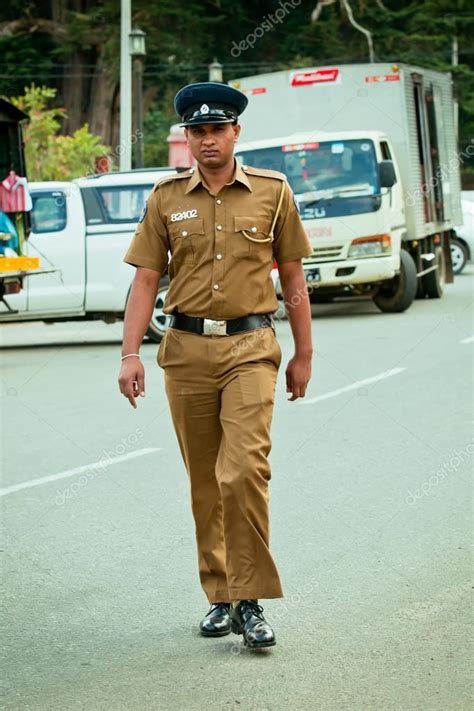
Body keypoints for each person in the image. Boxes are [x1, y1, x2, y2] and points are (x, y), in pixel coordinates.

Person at [119, 82, 314, 649]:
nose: (207, 140)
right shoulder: (165, 197)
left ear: (236, 133)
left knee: (242, 471)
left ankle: (251, 600)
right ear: (187, 139)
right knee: (206, 482)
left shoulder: (274, 193)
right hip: (185, 353)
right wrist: (130, 354)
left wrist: (304, 353)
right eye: (197, 131)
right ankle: (221, 596)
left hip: (250, 350)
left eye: (217, 130)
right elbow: (146, 280)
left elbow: (294, 280)